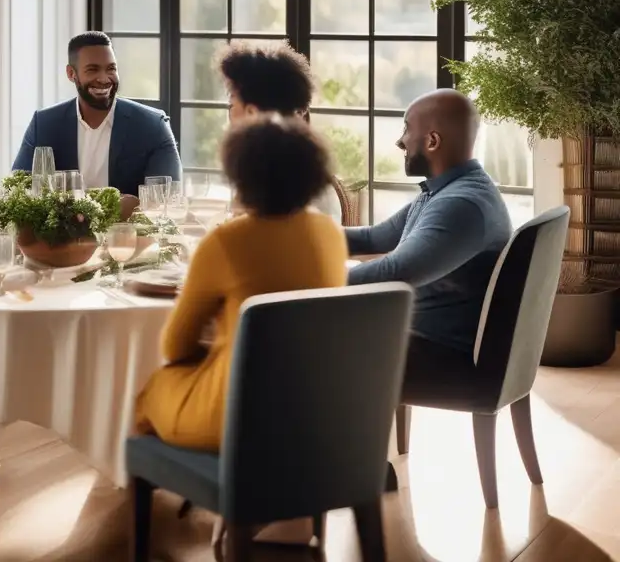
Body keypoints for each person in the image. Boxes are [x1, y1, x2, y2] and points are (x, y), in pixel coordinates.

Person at [135, 114, 348, 451]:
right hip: (313, 410)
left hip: (237, 418)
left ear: (240, 176)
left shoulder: (227, 241)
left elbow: (175, 346)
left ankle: (147, 489)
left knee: (148, 393)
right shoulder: (330, 233)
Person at [345, 89, 512, 388]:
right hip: (424, 338)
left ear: (432, 141)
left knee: (296, 338)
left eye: (407, 128)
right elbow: (373, 238)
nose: (401, 141)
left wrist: (310, 277)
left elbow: (393, 273)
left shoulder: (461, 204)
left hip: (440, 353)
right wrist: (304, 234)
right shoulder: (448, 190)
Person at [11, 31, 181, 197]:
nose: (104, 79)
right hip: (59, 227)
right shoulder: (44, 124)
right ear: (71, 73)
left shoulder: (152, 125)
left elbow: (167, 199)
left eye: (111, 69)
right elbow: (17, 192)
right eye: (93, 70)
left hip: (129, 227)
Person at [216, 39, 343, 223]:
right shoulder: (306, 164)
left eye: (232, 103)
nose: (229, 114)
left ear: (252, 112)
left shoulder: (268, 172)